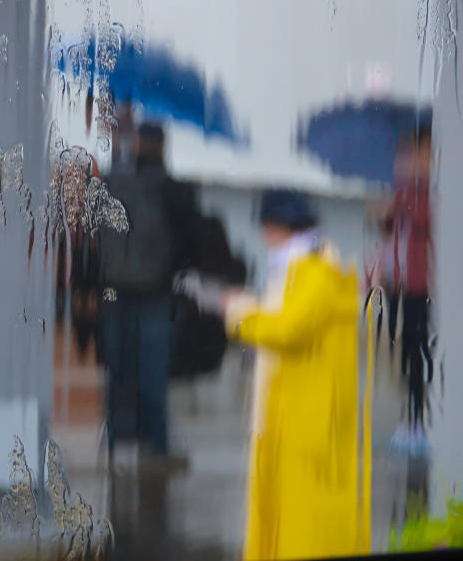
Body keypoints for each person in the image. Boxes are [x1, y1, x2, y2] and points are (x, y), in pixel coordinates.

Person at [210, 189, 367, 560]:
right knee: (285, 514)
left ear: (279, 226)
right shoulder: (301, 266)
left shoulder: (315, 270)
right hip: (293, 413)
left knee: (303, 520)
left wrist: (240, 313)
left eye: (266, 227)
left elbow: (289, 330)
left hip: (307, 418)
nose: (264, 236)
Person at [92, 101, 201, 461]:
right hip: (150, 293)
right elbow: (188, 240)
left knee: (120, 373)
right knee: (150, 374)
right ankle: (155, 445)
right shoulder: (168, 186)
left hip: (121, 292)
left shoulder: (119, 182)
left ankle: (122, 442)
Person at [379, 126, 434, 456]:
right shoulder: (405, 190)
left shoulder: (433, 189)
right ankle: (413, 419)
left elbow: (428, 219)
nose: (410, 161)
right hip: (403, 282)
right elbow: (393, 228)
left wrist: (402, 200)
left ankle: (424, 418)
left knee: (424, 353)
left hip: (427, 285)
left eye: (417, 154)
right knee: (409, 352)